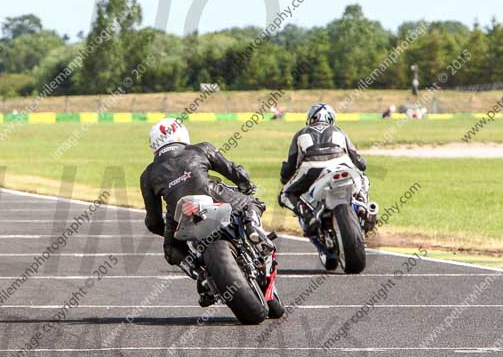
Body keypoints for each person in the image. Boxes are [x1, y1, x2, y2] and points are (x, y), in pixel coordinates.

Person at [140, 118, 274, 270]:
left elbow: (153, 222)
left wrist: (169, 232)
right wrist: (246, 185)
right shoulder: (201, 149)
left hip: (178, 215)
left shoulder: (147, 175)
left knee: (171, 249)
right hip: (214, 195)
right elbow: (236, 173)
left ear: (154, 144)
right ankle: (251, 226)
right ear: (182, 134)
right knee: (253, 203)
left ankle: (198, 272)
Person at [278, 103, 370, 235]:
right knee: (364, 178)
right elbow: (359, 162)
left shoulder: (301, 134)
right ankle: (362, 204)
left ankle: (308, 217)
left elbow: (290, 166)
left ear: (310, 118)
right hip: (342, 166)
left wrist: (285, 178)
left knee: (284, 195)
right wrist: (361, 165)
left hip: (312, 170)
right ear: (331, 119)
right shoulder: (339, 131)